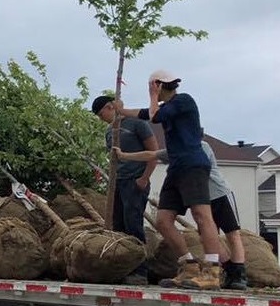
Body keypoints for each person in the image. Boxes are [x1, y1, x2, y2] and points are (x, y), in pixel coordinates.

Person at [116, 69, 225, 290]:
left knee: (201, 215)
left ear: (158, 85)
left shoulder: (183, 101)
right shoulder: (167, 108)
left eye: (152, 86)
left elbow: (154, 115)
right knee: (163, 221)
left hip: (193, 164)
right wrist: (122, 111)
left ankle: (212, 271)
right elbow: (148, 113)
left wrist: (153, 95)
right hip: (176, 167)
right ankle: (188, 264)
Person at [114, 140, 248, 290]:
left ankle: (238, 273)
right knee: (207, 236)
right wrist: (124, 155)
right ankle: (224, 269)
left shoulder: (201, 146)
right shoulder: (174, 148)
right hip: (197, 198)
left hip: (218, 194)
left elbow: (197, 167)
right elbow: (151, 155)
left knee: (232, 233)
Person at [92, 93, 158, 285]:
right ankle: (123, 268)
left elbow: (153, 152)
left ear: (110, 107)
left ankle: (140, 271)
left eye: (100, 113)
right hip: (118, 183)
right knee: (118, 226)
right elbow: (113, 161)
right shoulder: (109, 132)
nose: (100, 117)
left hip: (135, 181)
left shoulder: (137, 123)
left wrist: (144, 178)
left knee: (133, 225)